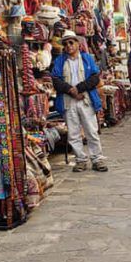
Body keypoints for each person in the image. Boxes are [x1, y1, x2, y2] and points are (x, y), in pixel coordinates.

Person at [50, 33, 109, 173]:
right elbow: (56, 80)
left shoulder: (87, 58)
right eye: (65, 44)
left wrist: (80, 88)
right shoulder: (60, 61)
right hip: (68, 100)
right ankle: (80, 160)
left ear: (77, 44)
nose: (68, 46)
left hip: (85, 99)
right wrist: (71, 90)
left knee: (91, 130)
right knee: (73, 132)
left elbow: (95, 78)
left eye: (71, 43)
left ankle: (97, 159)